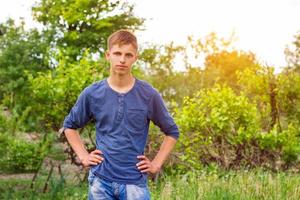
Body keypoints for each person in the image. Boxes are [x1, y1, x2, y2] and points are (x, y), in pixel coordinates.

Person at [62, 29, 179, 200]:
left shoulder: (148, 94)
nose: (122, 59)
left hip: (134, 184)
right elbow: (70, 126)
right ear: (108, 55)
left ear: (135, 58)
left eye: (128, 55)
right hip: (100, 182)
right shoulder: (92, 93)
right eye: (117, 53)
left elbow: (172, 131)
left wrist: (155, 165)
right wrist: (84, 156)